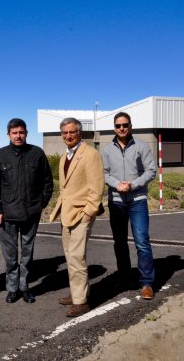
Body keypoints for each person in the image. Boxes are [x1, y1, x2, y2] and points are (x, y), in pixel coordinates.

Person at [0, 118, 53, 304]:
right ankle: (12, 288)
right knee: (10, 254)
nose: (18, 136)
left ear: (26, 133)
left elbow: (48, 182)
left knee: (27, 253)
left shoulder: (37, 153)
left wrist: (41, 204)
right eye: (14, 133)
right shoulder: (0, 155)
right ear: (8, 134)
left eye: (21, 132)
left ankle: (24, 287)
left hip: (31, 213)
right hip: (7, 214)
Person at [49, 117, 105, 317]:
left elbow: (97, 187)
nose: (68, 135)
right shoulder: (65, 157)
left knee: (76, 256)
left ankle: (81, 302)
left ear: (79, 133)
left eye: (72, 132)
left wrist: (89, 212)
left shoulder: (91, 155)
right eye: (64, 132)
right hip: (67, 214)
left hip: (82, 214)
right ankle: (77, 292)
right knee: (70, 255)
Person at [101, 112, 157, 300]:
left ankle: (146, 283)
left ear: (130, 126)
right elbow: (104, 173)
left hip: (137, 200)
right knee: (120, 242)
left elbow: (151, 171)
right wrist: (117, 184)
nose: (122, 128)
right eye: (118, 126)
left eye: (125, 125)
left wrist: (132, 185)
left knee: (142, 241)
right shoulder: (107, 150)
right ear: (114, 128)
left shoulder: (142, 146)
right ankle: (124, 278)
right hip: (116, 201)